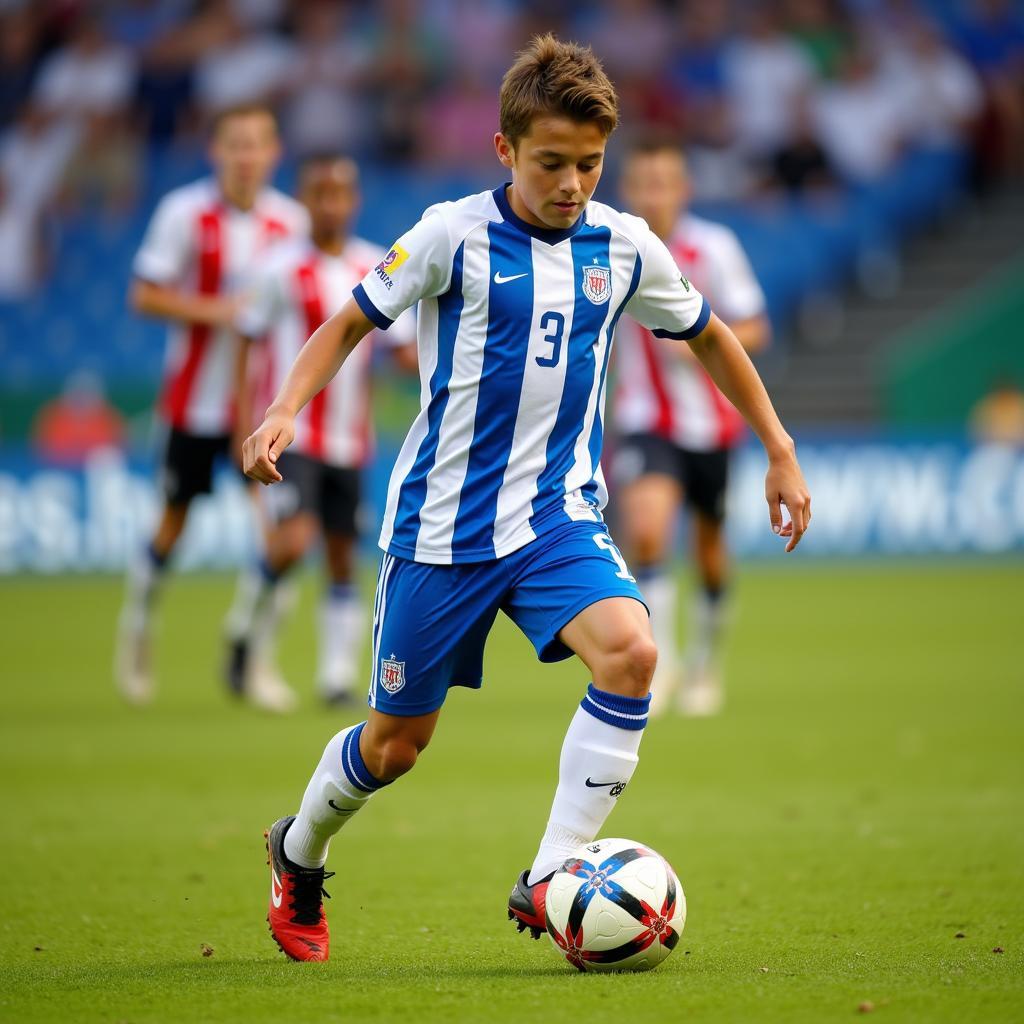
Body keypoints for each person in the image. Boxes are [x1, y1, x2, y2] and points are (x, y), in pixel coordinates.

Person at [243, 35, 810, 963]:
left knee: (630, 652)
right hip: (440, 531)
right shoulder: (447, 235)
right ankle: (297, 850)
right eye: (552, 162)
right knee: (393, 748)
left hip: (556, 519)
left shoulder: (623, 244)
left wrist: (779, 448)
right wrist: (283, 409)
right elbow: (349, 319)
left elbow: (709, 336)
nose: (573, 183)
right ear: (506, 150)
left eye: (590, 163)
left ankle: (550, 872)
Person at [115, 103, 307, 710]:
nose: (245, 156)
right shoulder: (183, 213)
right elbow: (143, 294)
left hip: (260, 409)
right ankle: (139, 628)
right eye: (235, 144)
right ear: (215, 152)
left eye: (256, 145)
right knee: (172, 525)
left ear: (274, 154)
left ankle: (254, 658)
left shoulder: (292, 223)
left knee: (279, 539)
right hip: (193, 405)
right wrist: (220, 310)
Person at [226, 154, 416, 707]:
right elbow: (246, 343)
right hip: (295, 437)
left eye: (341, 194)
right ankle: (245, 633)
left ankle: (335, 677)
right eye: (320, 194)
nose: (331, 204)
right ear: (304, 200)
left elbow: (400, 350)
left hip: (350, 442)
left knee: (340, 553)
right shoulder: (277, 268)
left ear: (354, 200)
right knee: (293, 541)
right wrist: (248, 422)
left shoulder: (374, 264)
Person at [612, 139, 771, 716]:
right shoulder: (611, 244)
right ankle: (663, 665)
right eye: (644, 182)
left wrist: (703, 337)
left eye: (665, 182)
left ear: (685, 189)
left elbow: (755, 329)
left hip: (713, 427)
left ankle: (705, 662)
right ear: (628, 190)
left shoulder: (714, 248)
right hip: (645, 420)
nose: (654, 194)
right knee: (649, 532)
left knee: (708, 549)